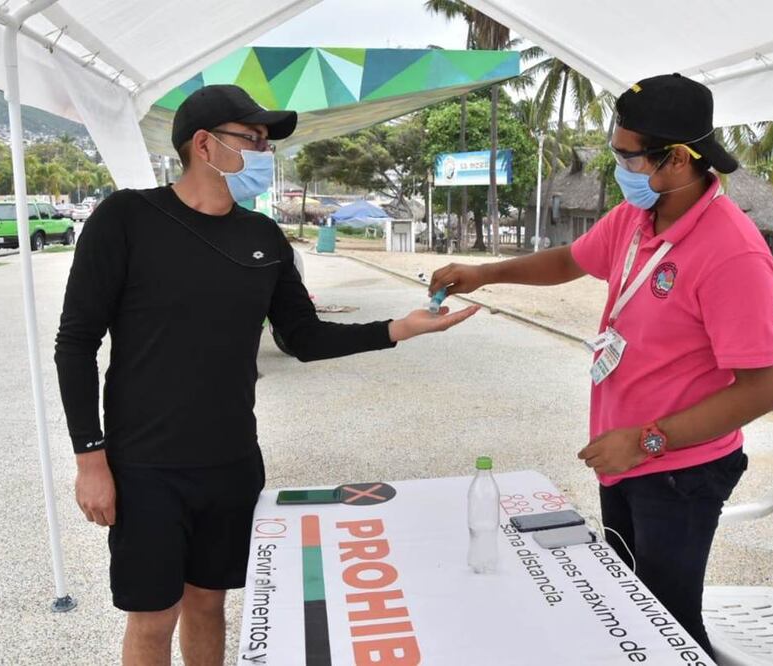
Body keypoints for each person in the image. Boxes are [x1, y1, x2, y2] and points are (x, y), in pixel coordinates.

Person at [54, 84, 479, 666]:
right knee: (153, 618)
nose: (264, 152)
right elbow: (75, 344)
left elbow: (302, 337)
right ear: (203, 145)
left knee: (209, 606)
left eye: (267, 143)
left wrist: (398, 329)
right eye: (252, 139)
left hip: (230, 460)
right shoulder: (126, 218)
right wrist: (90, 459)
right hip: (144, 465)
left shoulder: (263, 237)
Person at [430, 73, 773, 658]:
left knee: (667, 626)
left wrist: (647, 441)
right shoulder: (636, 217)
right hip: (623, 456)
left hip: (678, 470)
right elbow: (570, 259)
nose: (617, 166)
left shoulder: (733, 252)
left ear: (675, 159)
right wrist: (485, 273)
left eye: (626, 155)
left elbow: (762, 390)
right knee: (622, 608)